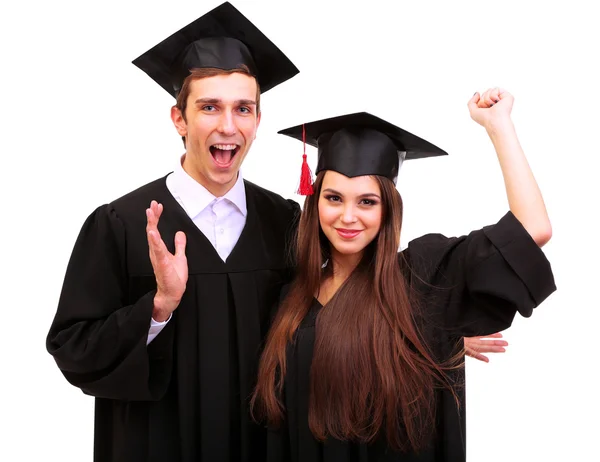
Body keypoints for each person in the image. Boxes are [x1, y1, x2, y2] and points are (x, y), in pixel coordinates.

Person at [45, 3, 301, 461]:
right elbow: (73, 349)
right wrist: (158, 307)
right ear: (179, 119)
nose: (228, 125)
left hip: (261, 448)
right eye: (209, 107)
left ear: (258, 121)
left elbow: (333, 312)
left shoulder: (285, 222)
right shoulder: (121, 224)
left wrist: (422, 337)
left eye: (244, 108)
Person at [251, 88, 556, 461]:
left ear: (388, 210)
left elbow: (532, 229)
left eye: (367, 201)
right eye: (334, 198)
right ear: (315, 204)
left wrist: (498, 126)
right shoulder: (291, 299)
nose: (348, 216)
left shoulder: (423, 277)